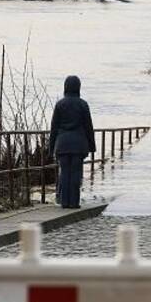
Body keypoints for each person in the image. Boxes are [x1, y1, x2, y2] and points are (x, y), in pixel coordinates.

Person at [48, 75, 95, 209]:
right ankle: (74, 202)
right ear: (78, 87)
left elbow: (54, 128)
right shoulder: (83, 104)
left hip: (62, 144)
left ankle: (64, 202)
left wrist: (51, 148)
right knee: (76, 173)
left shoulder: (60, 104)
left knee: (64, 173)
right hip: (79, 144)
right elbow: (88, 127)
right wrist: (92, 146)